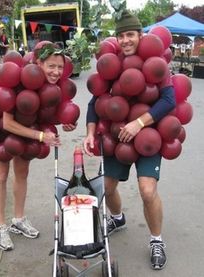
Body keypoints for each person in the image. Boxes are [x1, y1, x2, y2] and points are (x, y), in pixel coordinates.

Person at [83, 11, 176, 270]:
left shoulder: (157, 63)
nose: (125, 40)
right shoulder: (111, 65)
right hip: (117, 136)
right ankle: (117, 218)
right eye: (121, 35)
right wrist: (90, 132)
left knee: (147, 191)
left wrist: (139, 123)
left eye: (130, 35)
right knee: (108, 188)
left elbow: (169, 101)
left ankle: (157, 240)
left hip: (149, 135)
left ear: (140, 35)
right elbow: (95, 102)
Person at [0, 41, 76, 251]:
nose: (57, 72)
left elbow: (46, 112)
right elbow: (8, 123)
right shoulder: (20, 81)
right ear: (38, 63)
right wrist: (40, 136)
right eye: (51, 66)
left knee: (22, 173)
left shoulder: (54, 86)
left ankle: (18, 220)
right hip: (0, 128)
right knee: (1, 175)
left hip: (28, 130)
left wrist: (65, 123)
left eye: (60, 67)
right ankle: (1, 226)